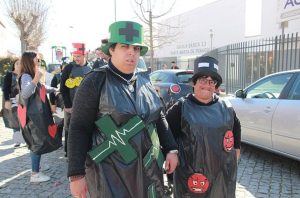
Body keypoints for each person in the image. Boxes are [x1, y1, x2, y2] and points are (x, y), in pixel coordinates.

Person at [67, 21, 179, 198]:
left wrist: (171, 149)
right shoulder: (94, 81)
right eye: (124, 46)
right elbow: (79, 128)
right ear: (111, 49)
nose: (131, 53)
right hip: (110, 174)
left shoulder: (145, 80)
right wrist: (76, 175)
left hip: (149, 170)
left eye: (135, 48)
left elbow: (159, 116)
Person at [166, 56, 241, 197]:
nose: (207, 84)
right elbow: (167, 134)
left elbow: (236, 128)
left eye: (211, 81)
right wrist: (171, 154)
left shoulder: (226, 107)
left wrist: (234, 155)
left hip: (221, 178)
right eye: (202, 80)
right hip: (191, 178)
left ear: (215, 86)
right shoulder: (181, 108)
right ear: (194, 83)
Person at [19, 51, 59, 183]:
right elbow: (25, 93)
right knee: (37, 142)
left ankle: (37, 166)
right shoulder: (26, 76)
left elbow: (40, 88)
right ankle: (35, 173)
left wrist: (54, 89)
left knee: (39, 140)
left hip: (37, 115)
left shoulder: (30, 75)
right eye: (37, 60)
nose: (39, 62)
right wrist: (36, 78)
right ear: (30, 61)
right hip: (33, 117)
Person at [60, 43, 91, 157]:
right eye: (75, 56)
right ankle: (69, 152)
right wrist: (68, 105)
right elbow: (63, 88)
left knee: (84, 127)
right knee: (69, 128)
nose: (76, 58)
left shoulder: (90, 68)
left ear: (85, 55)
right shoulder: (69, 68)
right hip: (71, 105)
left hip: (85, 105)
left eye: (79, 56)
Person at [2, 58, 23, 147]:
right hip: (12, 101)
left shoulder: (25, 75)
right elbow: (5, 89)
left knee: (23, 120)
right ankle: (18, 140)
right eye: (17, 63)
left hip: (23, 101)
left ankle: (25, 138)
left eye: (20, 63)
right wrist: (7, 100)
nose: (18, 65)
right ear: (14, 65)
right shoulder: (10, 75)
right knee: (14, 120)